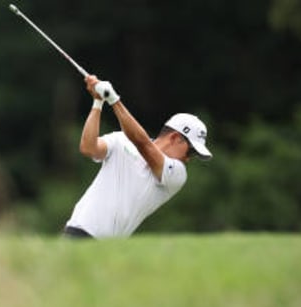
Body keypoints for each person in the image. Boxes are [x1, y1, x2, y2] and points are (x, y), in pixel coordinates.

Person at [63, 75, 212, 239]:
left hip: (107, 247)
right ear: (175, 138)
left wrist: (113, 99)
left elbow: (143, 144)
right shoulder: (120, 140)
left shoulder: (178, 174)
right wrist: (98, 102)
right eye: (191, 152)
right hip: (78, 231)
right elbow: (88, 147)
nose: (188, 159)